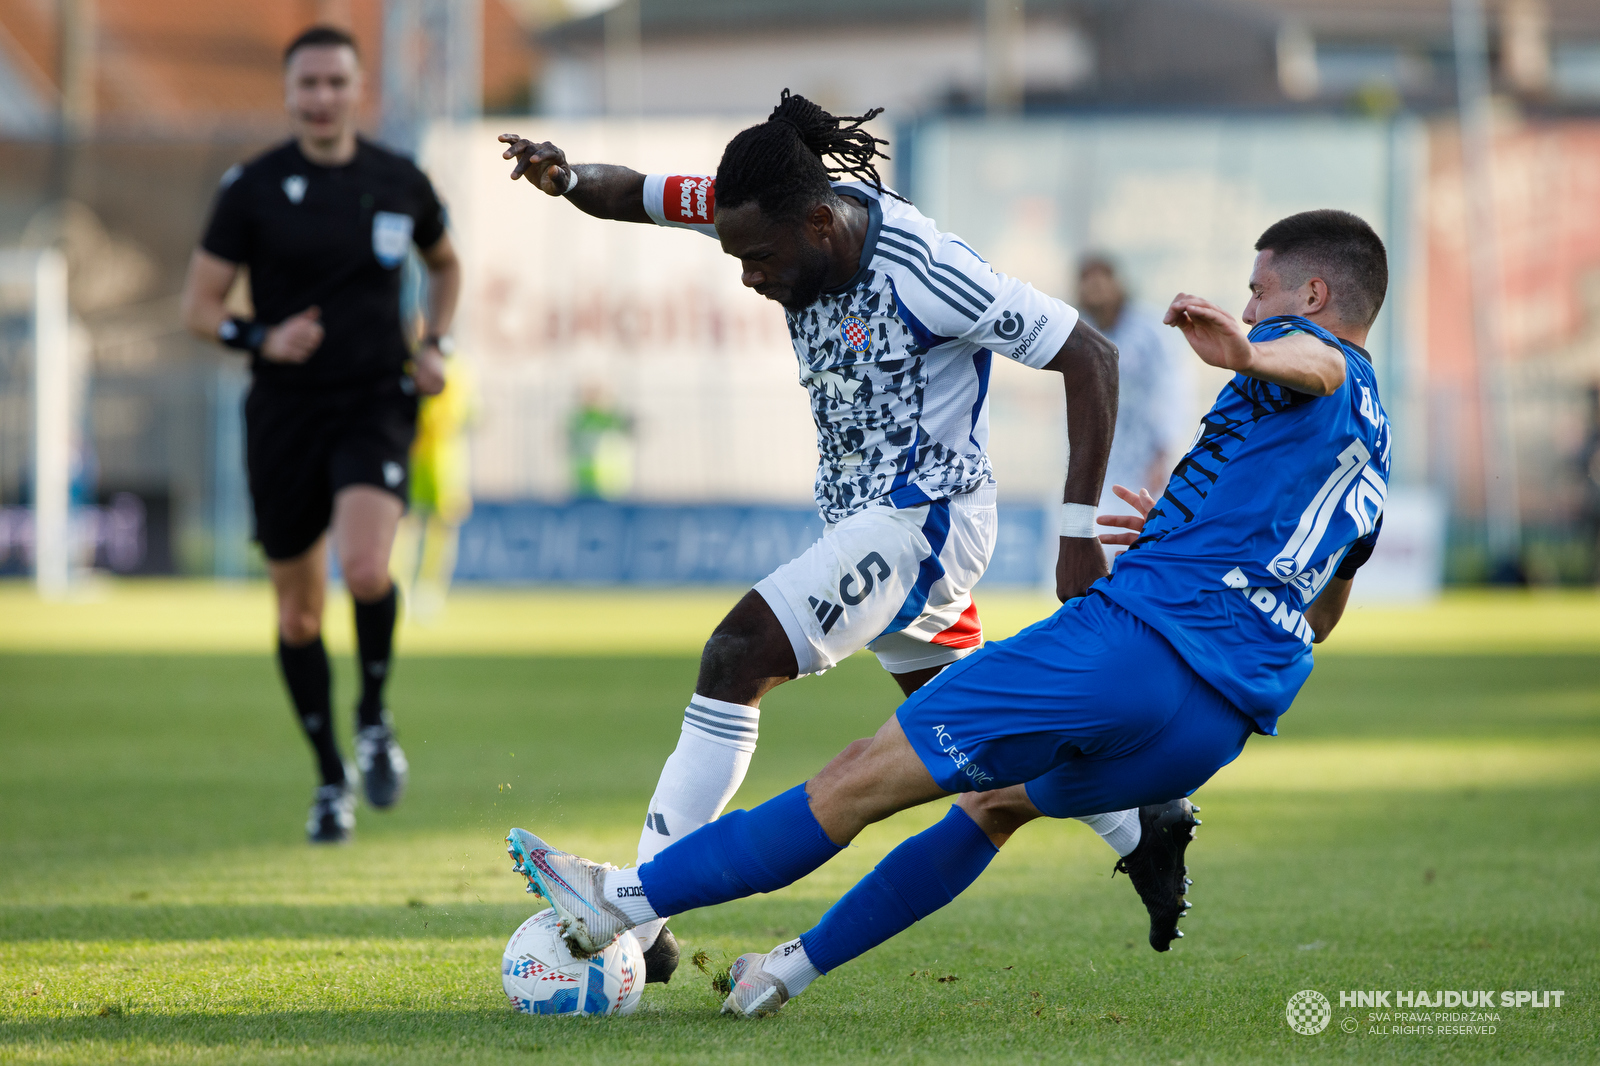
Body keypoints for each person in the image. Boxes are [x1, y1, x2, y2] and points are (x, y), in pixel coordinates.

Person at [503, 208, 1393, 1018]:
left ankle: (620, 901)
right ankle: (784, 972)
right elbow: (1321, 614)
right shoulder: (1371, 445)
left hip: (1132, 649)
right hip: (1217, 725)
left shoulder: (1309, 361)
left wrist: (1247, 352)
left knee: (860, 776)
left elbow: (1317, 363)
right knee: (995, 807)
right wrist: (1198, 533)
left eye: (1262, 289)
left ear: (1313, 295)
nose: (1250, 304)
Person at [496, 91, 1167, 983]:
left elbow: (1092, 355)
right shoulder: (765, 213)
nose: (747, 276)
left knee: (738, 653)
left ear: (819, 221)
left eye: (759, 259)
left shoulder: (929, 268)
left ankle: (642, 907)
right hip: (866, 523)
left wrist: (1077, 530)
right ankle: (1144, 824)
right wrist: (570, 177)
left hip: (924, 520)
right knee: (984, 732)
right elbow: (639, 194)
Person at [179, 25, 461, 843]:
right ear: (289, 92)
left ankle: (373, 717)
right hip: (285, 413)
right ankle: (329, 777)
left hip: (376, 398)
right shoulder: (252, 188)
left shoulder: (398, 179)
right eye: (309, 83)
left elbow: (447, 265)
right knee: (299, 618)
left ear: (358, 88)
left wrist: (434, 344)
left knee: (369, 567)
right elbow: (199, 307)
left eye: (338, 81)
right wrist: (257, 337)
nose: (323, 96)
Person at [1076, 254, 1193, 520]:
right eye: (1087, 281)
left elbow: (1173, 389)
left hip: (1146, 461)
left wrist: (1164, 451)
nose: (1095, 289)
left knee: (1142, 537)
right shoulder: (1078, 333)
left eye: (1101, 280)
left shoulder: (1149, 330)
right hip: (1098, 463)